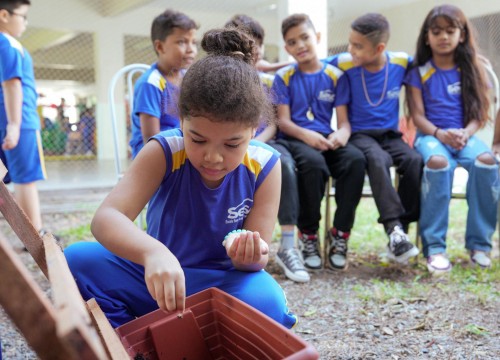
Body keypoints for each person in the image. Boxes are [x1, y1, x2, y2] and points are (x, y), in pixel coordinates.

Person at [64, 28, 297, 329]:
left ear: (253, 130)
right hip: (158, 279)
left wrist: (250, 254)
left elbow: (255, 262)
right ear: (182, 121)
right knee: (77, 261)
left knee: (269, 302)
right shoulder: (165, 150)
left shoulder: (265, 164)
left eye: (231, 144)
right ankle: (130, 341)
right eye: (197, 140)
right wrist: (153, 253)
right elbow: (107, 217)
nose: (213, 157)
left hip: (220, 283)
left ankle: (181, 331)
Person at [405, 4, 498, 274]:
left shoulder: (474, 68)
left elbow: (481, 113)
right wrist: (440, 133)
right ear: (427, 36)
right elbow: (417, 115)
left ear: (462, 34)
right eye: (436, 31)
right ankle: (434, 247)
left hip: (465, 135)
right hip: (431, 136)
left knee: (487, 162)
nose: (443, 37)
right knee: (437, 163)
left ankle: (480, 245)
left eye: (450, 30)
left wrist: (466, 133)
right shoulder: (419, 71)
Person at [272, 13, 366, 271]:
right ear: (287, 48)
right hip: (297, 139)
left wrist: (342, 135)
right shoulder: (284, 77)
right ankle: (309, 235)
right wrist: (307, 136)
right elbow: (283, 121)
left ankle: (340, 234)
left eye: (305, 37)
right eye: (292, 42)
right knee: (313, 165)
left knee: (355, 160)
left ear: (318, 37)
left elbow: (344, 121)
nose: (300, 45)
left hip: (326, 138)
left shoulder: (336, 76)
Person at [326, 13, 422, 265]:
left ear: (379, 48)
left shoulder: (401, 62)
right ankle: (394, 229)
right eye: (350, 43)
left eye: (358, 46)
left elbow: (428, 60)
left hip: (391, 135)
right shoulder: (345, 62)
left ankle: (401, 232)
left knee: (413, 161)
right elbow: (308, 63)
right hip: (360, 135)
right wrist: (266, 67)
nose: (351, 50)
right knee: (378, 160)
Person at [224, 14, 309, 282]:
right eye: (248, 41)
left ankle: (286, 244)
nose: (255, 48)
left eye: (257, 42)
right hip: (230, 145)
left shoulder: (270, 81)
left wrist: (256, 142)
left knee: (282, 163)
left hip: (265, 143)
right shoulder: (223, 80)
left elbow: (272, 123)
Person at [0, 0, 49, 237]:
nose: (26, 22)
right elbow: (12, 84)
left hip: (6, 119)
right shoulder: (9, 44)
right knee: (25, 178)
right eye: (23, 16)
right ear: (4, 16)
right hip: (20, 120)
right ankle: (34, 234)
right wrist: (15, 125)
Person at [129, 9, 198, 158]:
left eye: (193, 42)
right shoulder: (151, 83)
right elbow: (151, 139)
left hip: (181, 147)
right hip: (154, 155)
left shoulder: (188, 79)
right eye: (182, 42)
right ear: (160, 47)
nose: (191, 49)